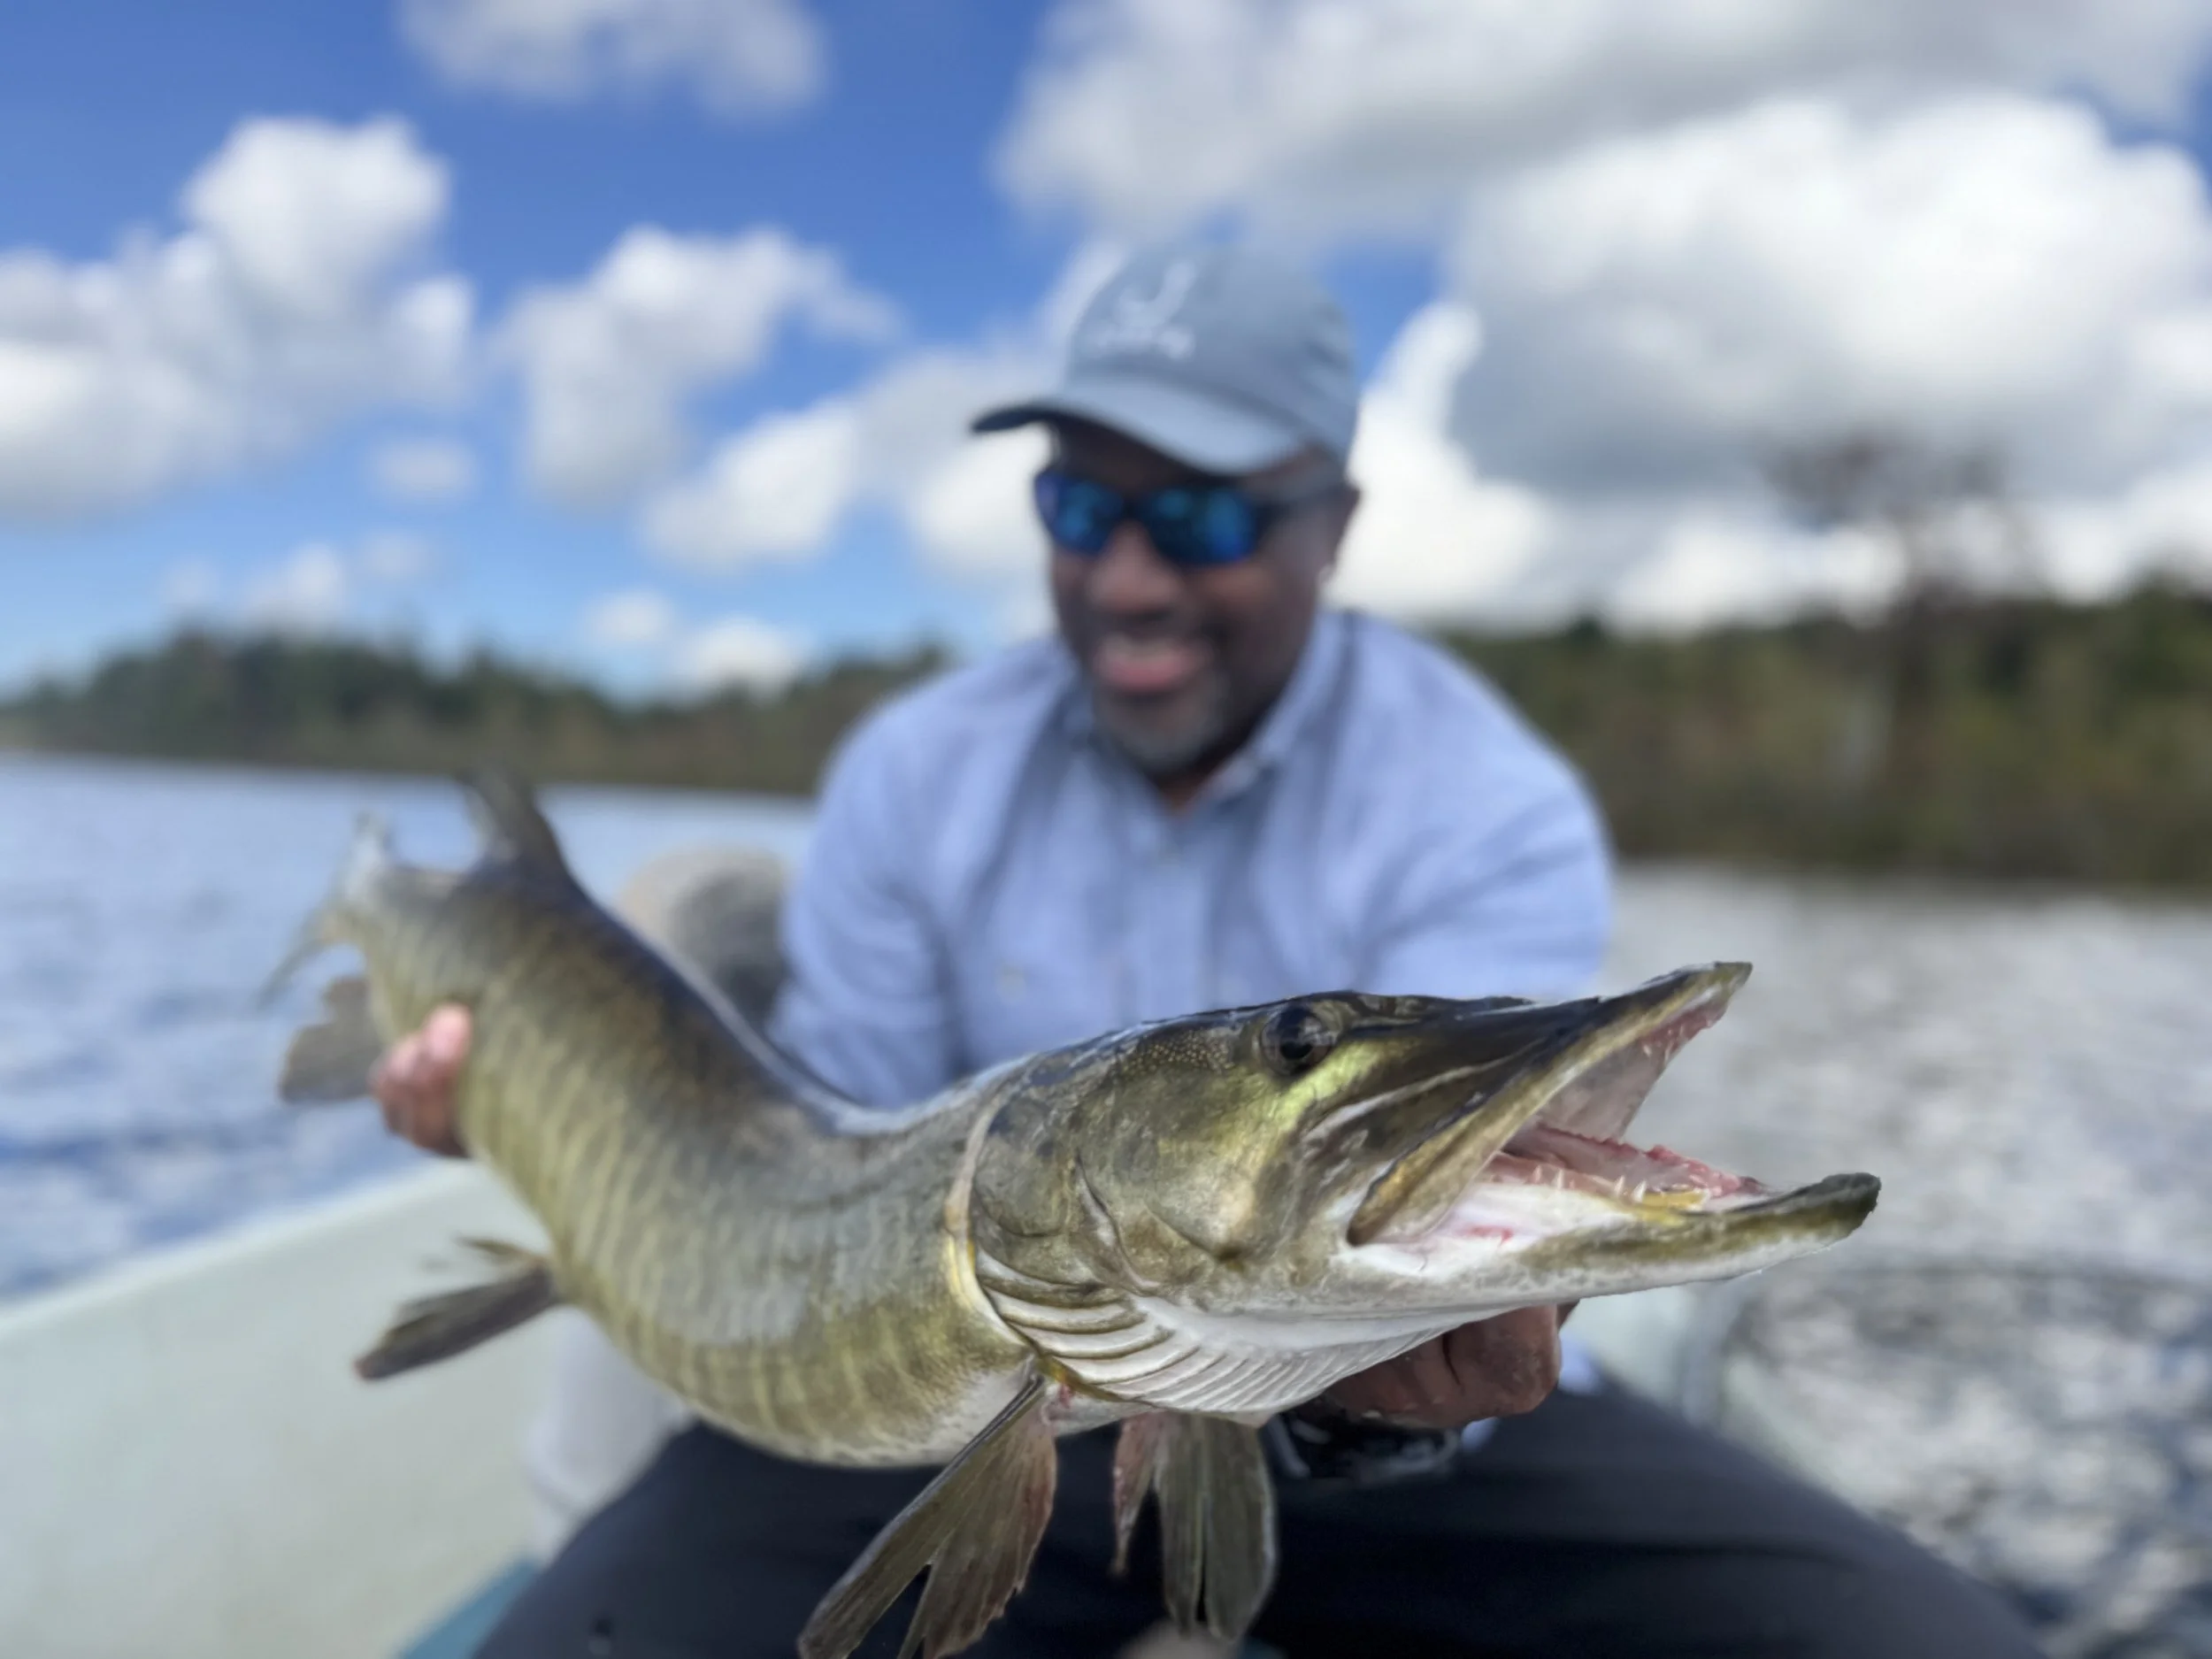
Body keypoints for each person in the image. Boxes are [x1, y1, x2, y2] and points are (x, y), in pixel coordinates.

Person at [375, 247, 2039, 1656]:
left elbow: (1458, 1203)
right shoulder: (913, 770)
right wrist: (534, 1111)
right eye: (1082, 501)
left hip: (1397, 1434)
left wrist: (1364, 1365)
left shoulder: (1484, 795)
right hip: (967, 1406)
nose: (1126, 570)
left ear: (1333, 522)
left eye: (1201, 516)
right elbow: (832, 1166)